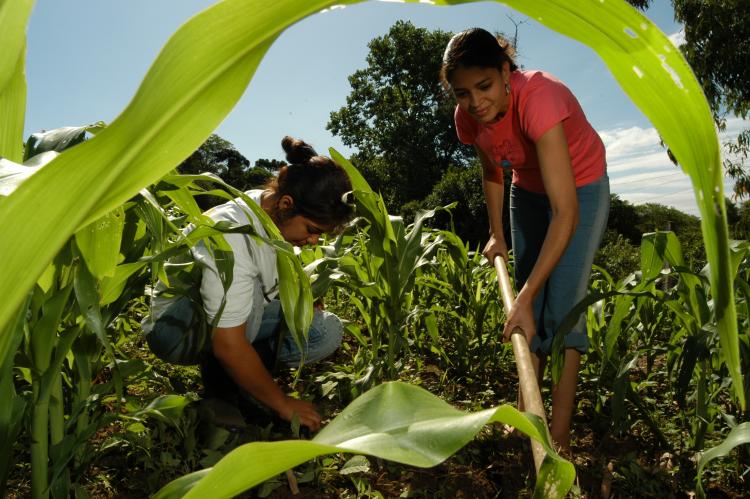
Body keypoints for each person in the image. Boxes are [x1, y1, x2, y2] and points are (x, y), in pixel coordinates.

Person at [441, 28, 610, 453]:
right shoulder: (468, 118)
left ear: (504, 72)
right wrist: (497, 236)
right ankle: (525, 415)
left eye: (484, 87)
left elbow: (566, 211)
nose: (476, 102)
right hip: (527, 188)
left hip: (581, 189)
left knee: (563, 309)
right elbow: (493, 172)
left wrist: (527, 294)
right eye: (462, 93)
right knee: (526, 307)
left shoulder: (540, 98)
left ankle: (560, 436)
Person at [143, 136, 354, 432]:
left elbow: (276, 267)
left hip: (228, 315)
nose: (314, 241)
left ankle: (246, 376)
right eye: (312, 230)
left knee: (323, 330)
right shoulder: (233, 231)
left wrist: (302, 293)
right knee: (247, 296)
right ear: (286, 203)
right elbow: (231, 340)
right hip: (175, 326)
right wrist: (283, 403)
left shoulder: (272, 211)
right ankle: (225, 393)